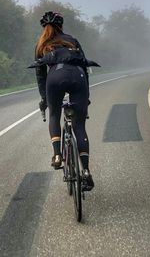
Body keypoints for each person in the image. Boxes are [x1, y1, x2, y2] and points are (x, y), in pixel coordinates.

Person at [32, 11, 100, 191]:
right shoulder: (72, 40)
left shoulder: (41, 44)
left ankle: (56, 155)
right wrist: (86, 97)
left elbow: (40, 75)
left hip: (54, 78)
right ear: (61, 26)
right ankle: (85, 170)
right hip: (77, 77)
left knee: (55, 114)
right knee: (79, 126)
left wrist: (44, 99)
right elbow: (84, 67)